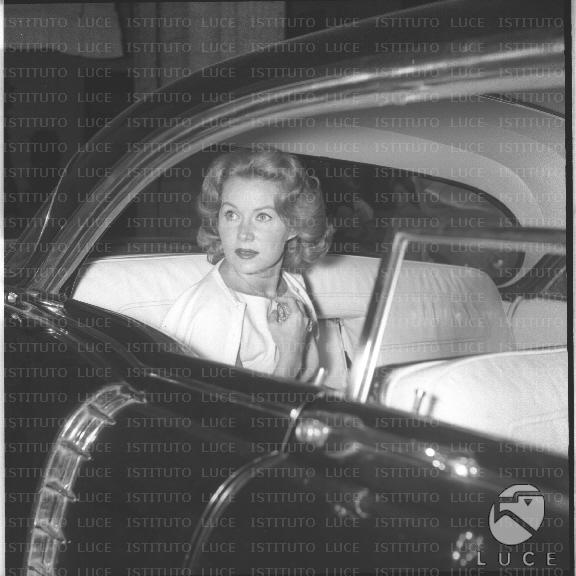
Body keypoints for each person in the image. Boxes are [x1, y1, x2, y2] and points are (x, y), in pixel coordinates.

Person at [162, 149, 332, 380]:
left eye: (262, 217)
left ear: (294, 226)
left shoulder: (293, 283)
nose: (243, 234)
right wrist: (290, 356)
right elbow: (223, 405)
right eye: (231, 214)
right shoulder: (212, 313)